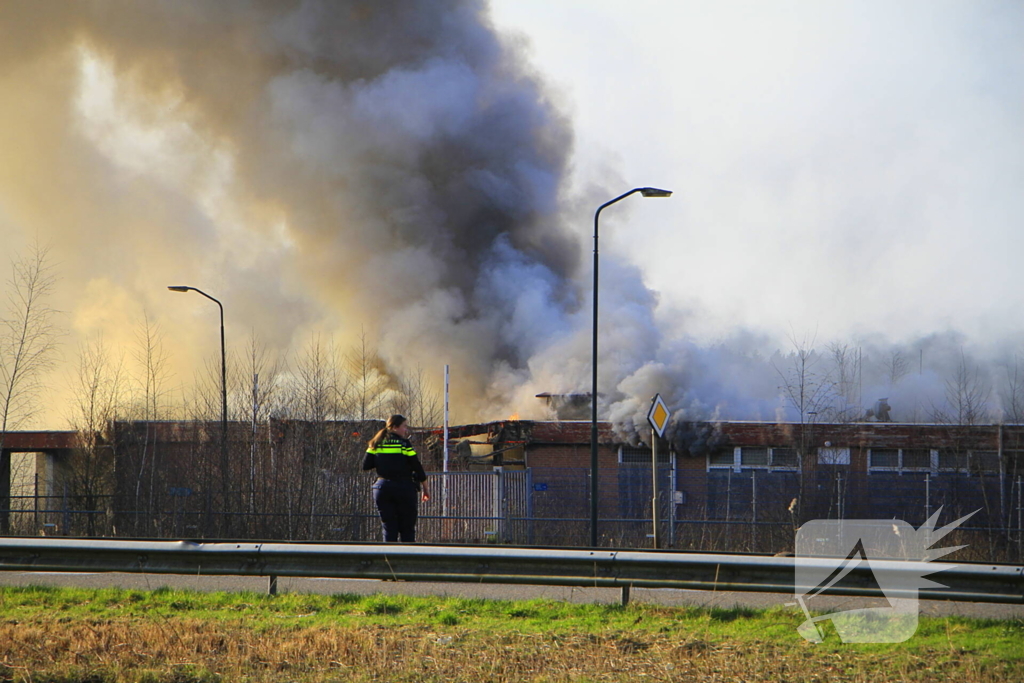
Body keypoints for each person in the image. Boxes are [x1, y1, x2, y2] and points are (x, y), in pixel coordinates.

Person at [362, 414, 429, 542]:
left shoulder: (375, 443)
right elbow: (417, 466)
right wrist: (425, 489)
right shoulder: (404, 444)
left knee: (388, 528)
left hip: (382, 488)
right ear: (394, 427)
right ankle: (406, 559)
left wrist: (383, 462)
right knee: (407, 529)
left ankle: (389, 559)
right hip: (404, 488)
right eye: (404, 426)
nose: (406, 430)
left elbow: (366, 465)